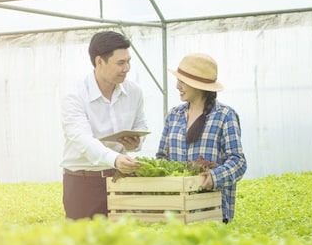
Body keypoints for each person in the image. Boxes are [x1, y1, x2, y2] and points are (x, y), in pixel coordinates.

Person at [61, 31, 149, 219]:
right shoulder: (74, 94)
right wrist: (115, 158)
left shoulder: (134, 91)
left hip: (121, 180)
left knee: (124, 244)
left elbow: (140, 123)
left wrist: (135, 143)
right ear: (99, 61)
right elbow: (82, 139)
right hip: (83, 184)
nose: (127, 68)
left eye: (128, 61)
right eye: (121, 63)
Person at [156, 53, 247, 222]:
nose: (177, 86)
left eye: (182, 81)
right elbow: (162, 157)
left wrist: (214, 177)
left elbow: (238, 162)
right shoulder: (174, 115)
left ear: (197, 85)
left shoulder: (224, 115)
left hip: (212, 210)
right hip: (176, 211)